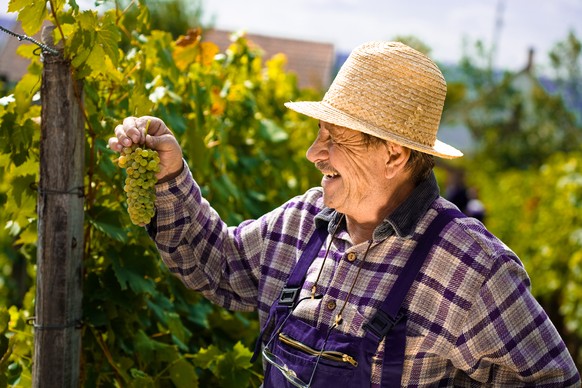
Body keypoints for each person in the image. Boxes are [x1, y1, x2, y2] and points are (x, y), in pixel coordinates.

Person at [109, 41, 580, 387]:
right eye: (319, 133)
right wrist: (171, 178)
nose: (315, 153)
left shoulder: (472, 269)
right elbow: (220, 264)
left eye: (335, 138)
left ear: (394, 154)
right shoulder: (302, 221)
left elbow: (552, 380)